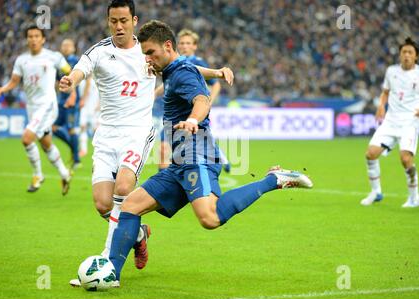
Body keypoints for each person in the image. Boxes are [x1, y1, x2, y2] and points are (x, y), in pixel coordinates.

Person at [107, 20, 313, 282]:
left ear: (167, 46)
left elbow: (201, 100)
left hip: (197, 155)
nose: (147, 59)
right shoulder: (175, 68)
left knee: (210, 217)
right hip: (180, 162)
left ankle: (274, 180)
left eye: (150, 52)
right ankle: (111, 273)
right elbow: (193, 68)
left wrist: (193, 119)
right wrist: (215, 72)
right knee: (131, 206)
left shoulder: (180, 73)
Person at [60, 0, 232, 287]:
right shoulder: (100, 52)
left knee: (124, 189)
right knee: (103, 203)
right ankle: (137, 234)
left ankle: (107, 262)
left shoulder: (148, 52)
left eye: (123, 20)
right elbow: (81, 68)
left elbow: (182, 69)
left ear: (134, 20)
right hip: (107, 134)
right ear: (108, 21)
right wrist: (72, 80)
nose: (118, 26)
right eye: (113, 20)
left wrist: (215, 72)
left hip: (138, 131)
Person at [0, 25, 72, 195]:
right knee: (45, 144)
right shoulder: (22, 60)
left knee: (27, 138)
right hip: (32, 106)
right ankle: (65, 174)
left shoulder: (54, 57)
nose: (33, 39)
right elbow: (15, 81)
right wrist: (4, 89)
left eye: (37, 36)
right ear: (27, 39)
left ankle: (38, 175)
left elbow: (69, 72)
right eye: (30, 36)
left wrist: (71, 91)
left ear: (43, 39)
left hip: (47, 105)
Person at [155, 28, 231, 173]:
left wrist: (208, 102)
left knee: (197, 143)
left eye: (188, 43)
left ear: (194, 46)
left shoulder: (197, 62)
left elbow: (216, 84)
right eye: (182, 43)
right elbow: (168, 84)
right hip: (173, 114)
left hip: (190, 112)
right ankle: (164, 183)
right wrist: (154, 94)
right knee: (164, 148)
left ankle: (218, 160)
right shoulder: (173, 63)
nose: (184, 46)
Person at [361, 37, 419, 208]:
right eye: (404, 52)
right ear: (400, 55)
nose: (406, 55)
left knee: (405, 159)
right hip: (390, 121)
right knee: (370, 154)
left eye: (410, 52)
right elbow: (385, 92)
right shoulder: (391, 71)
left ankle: (413, 197)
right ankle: (376, 192)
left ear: (416, 56)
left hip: (410, 122)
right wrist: (381, 105)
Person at [53, 39, 82, 170]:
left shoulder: (75, 61)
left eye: (68, 45)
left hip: (71, 101)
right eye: (63, 45)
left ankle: (76, 160)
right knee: (53, 127)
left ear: (73, 48)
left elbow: (75, 80)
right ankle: (74, 147)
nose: (65, 47)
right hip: (60, 101)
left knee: (71, 129)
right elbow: (56, 82)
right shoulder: (60, 63)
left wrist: (73, 96)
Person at [78, 75, 100, 158]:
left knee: (96, 130)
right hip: (86, 108)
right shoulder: (83, 81)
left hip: (92, 108)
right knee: (83, 127)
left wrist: (99, 105)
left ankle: (98, 150)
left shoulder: (95, 81)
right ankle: (83, 150)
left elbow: (100, 94)